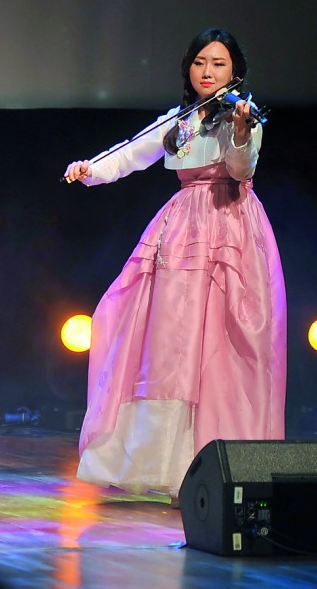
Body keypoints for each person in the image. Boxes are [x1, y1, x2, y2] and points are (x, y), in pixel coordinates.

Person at [62, 28, 286, 505]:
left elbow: (242, 169)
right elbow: (132, 152)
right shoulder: (180, 120)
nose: (208, 71)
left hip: (232, 228)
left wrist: (242, 133)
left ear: (236, 73)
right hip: (183, 228)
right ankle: (166, 465)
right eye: (200, 62)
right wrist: (92, 168)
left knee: (222, 346)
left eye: (219, 64)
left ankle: (219, 461)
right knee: (170, 343)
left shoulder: (241, 117)